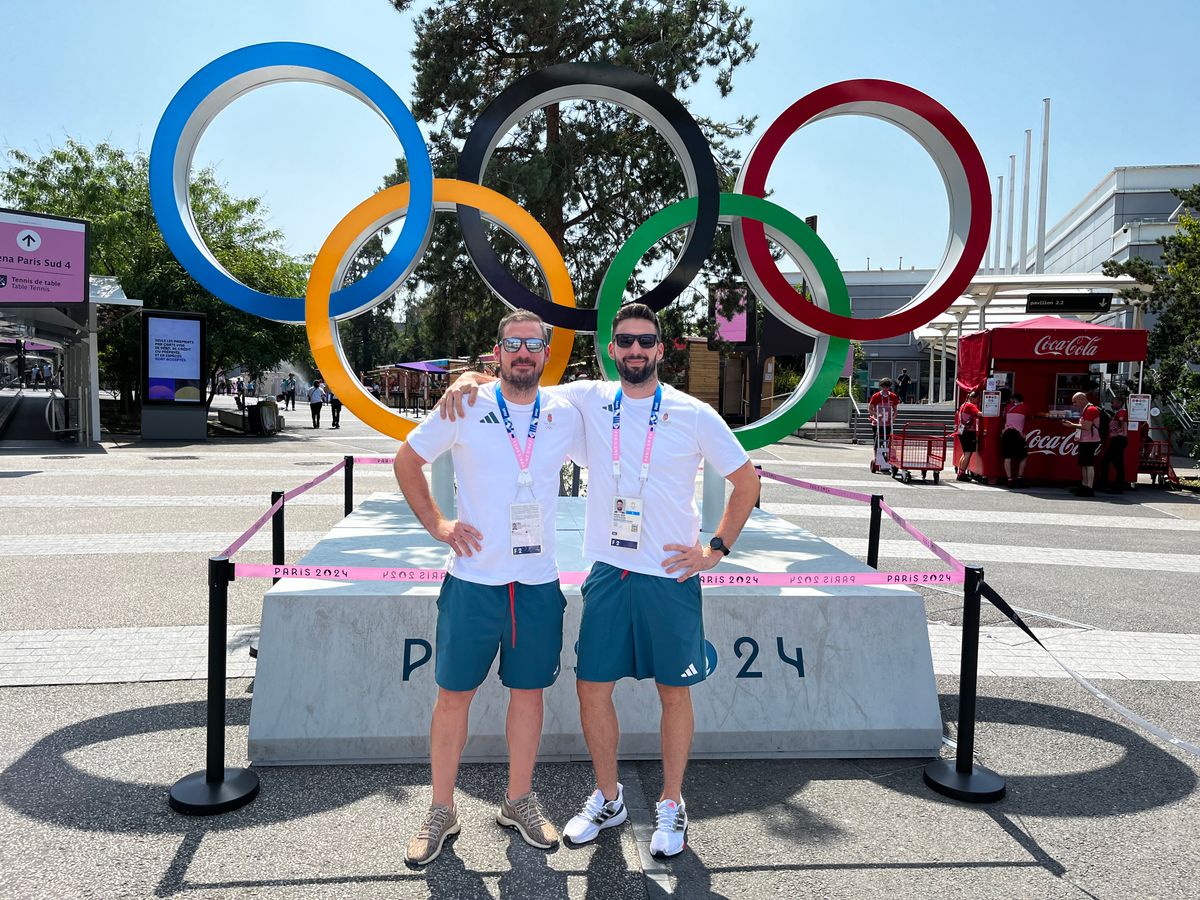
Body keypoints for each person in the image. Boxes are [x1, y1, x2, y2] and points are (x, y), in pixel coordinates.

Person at [442, 302, 759, 860]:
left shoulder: (693, 413)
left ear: (662, 350)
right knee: (592, 688)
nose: (635, 350)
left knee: (674, 691)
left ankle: (671, 803)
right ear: (611, 350)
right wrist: (473, 376)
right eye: (626, 341)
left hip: (669, 574)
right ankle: (609, 798)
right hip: (609, 572)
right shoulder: (586, 400)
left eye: (646, 341)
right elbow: (521, 378)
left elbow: (745, 480)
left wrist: (714, 549)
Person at [393, 310, 586, 866]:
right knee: (454, 696)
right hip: (472, 581)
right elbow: (408, 460)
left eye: (533, 344)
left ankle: (518, 800)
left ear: (547, 353)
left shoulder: (562, 413)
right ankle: (441, 810)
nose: (523, 352)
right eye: (512, 344)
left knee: (529, 695)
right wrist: (438, 524)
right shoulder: (464, 404)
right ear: (495, 352)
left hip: (536, 583)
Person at [1065, 391, 1100, 497]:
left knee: (1089, 464)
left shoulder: (1091, 410)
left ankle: (1089, 487)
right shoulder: (1086, 410)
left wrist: (1071, 425)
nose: (1074, 404)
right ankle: (1084, 486)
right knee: (1084, 464)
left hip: (1091, 441)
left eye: (1075, 402)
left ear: (1082, 399)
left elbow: (1087, 427)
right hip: (1085, 440)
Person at [1098, 394, 1130, 494]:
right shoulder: (1120, 412)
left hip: (1118, 439)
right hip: (1118, 440)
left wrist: (1116, 426)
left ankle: (1113, 486)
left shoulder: (1121, 412)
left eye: (1113, 403)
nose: (1112, 404)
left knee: (1112, 463)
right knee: (1115, 463)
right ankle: (1114, 485)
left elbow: (1120, 421)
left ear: (1120, 403)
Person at [1000, 392, 1031, 487]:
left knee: (1007, 457)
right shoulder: (1026, 407)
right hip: (1018, 435)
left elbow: (1003, 416)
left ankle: (1009, 480)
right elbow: (1030, 417)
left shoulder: (1007, 407)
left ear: (1013, 399)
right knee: (1023, 456)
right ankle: (1019, 478)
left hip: (1007, 433)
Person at [955, 390, 981, 482]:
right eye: (978, 398)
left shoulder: (963, 405)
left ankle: (960, 473)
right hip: (969, 432)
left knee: (965, 453)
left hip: (962, 432)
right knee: (968, 454)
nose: (979, 400)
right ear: (974, 398)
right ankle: (962, 474)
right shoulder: (971, 405)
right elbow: (980, 414)